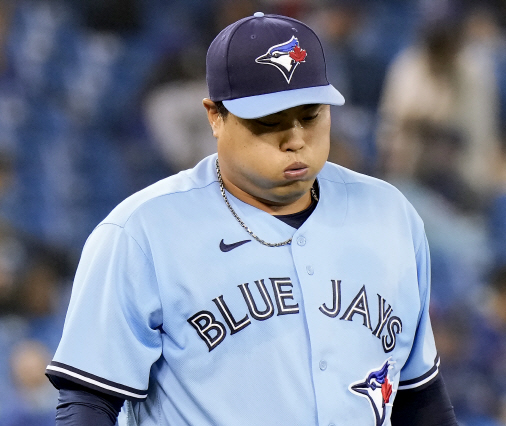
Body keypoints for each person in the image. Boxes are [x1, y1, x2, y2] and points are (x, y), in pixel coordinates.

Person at [45, 13, 458, 426]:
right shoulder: (141, 232)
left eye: (311, 116)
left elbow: (419, 398)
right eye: (269, 122)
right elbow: (87, 404)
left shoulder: (390, 216)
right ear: (215, 116)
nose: (295, 139)